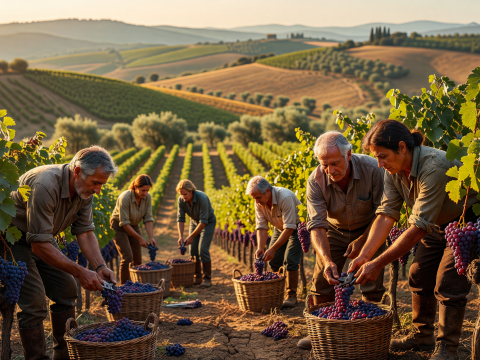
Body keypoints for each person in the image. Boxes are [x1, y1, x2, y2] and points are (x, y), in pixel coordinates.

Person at [348, 120, 478, 360]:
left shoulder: (434, 166)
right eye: (376, 157)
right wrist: (365, 256)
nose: (380, 163)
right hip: (436, 224)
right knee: (418, 274)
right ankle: (422, 337)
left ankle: (448, 347)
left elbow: (418, 227)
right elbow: (387, 214)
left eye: (383, 156)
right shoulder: (394, 171)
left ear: (402, 147)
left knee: (448, 283)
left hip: (465, 223)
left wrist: (378, 264)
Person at [4, 146, 117, 360]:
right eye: (96, 183)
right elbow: (38, 245)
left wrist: (100, 267)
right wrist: (81, 271)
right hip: (13, 239)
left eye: (102, 184)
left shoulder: (84, 191)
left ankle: (62, 356)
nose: (98, 190)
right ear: (77, 172)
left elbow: (84, 231)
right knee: (35, 302)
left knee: (67, 288)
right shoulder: (46, 184)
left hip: (42, 238)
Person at [297, 131, 386, 350]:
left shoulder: (373, 170)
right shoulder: (316, 180)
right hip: (334, 230)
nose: (330, 170)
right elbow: (317, 225)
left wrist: (363, 241)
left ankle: (368, 332)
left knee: (371, 281)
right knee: (322, 280)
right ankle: (323, 331)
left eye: (335, 163)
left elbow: (384, 212)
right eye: (324, 165)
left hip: (370, 227)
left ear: (349, 155)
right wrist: (327, 260)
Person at [247, 175, 303, 308]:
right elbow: (261, 226)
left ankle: (291, 295)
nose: (256, 201)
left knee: (290, 259)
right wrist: (261, 247)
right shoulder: (259, 202)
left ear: (267, 191)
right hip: (280, 227)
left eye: (258, 198)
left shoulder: (285, 197)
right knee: (274, 260)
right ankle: (279, 290)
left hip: (297, 227)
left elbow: (290, 227)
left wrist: (272, 248)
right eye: (254, 198)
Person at [110, 174, 157, 284]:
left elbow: (148, 218)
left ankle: (135, 285)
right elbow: (124, 223)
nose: (145, 193)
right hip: (119, 227)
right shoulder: (125, 197)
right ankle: (125, 287)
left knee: (137, 259)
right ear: (135, 187)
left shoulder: (147, 197)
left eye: (147, 190)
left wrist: (151, 237)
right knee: (127, 257)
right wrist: (140, 238)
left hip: (134, 225)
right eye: (142, 190)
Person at [176, 179, 216, 287]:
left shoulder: (202, 198)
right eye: (181, 194)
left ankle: (207, 278)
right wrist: (181, 236)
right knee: (193, 250)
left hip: (208, 222)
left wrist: (191, 236)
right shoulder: (181, 200)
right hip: (194, 222)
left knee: (202, 249)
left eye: (185, 194)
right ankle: (197, 277)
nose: (183, 197)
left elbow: (203, 222)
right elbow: (180, 219)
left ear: (191, 191)